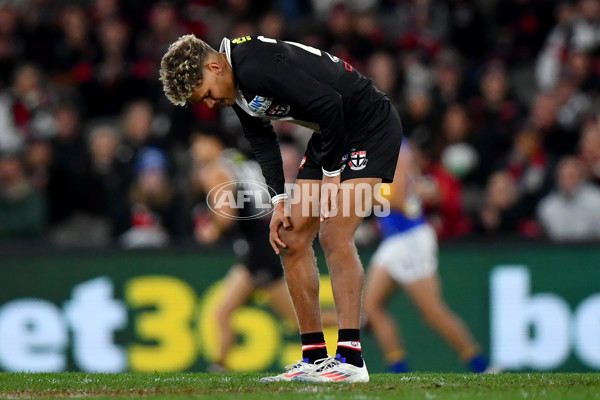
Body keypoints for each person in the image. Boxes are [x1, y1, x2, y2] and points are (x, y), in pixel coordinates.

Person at [159, 34, 403, 382]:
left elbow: (331, 103)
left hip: (368, 124)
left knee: (334, 234)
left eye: (208, 94)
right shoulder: (236, 82)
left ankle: (350, 360)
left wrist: (332, 175)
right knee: (289, 237)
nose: (211, 103)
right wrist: (278, 201)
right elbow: (261, 139)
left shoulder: (254, 66)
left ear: (215, 66)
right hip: (331, 131)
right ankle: (315, 357)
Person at [363, 138, 491, 373]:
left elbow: (400, 199)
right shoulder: (382, 146)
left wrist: (359, 194)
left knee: (432, 312)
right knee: (371, 306)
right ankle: (399, 369)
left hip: (409, 238)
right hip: (395, 239)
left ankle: (482, 366)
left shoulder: (398, 149)